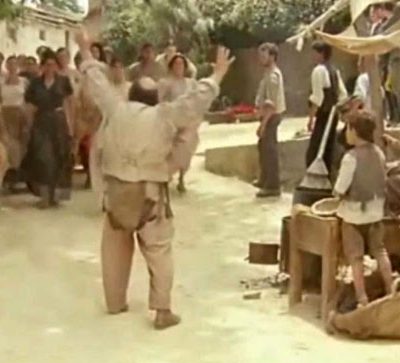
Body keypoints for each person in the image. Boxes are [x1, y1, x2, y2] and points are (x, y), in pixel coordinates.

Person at [76, 29, 233, 329]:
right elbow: (195, 101)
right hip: (149, 192)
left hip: (116, 190)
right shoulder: (164, 115)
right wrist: (217, 75)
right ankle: (162, 310)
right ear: (154, 99)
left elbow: (95, 80)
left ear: (132, 95)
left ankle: (115, 302)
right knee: (159, 251)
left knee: (114, 247)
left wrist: (85, 49)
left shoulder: (115, 107)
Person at [334, 110, 393, 307]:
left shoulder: (350, 157)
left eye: (348, 129)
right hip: (376, 212)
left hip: (354, 215)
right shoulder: (379, 153)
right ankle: (391, 290)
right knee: (380, 251)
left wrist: (337, 194)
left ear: (354, 131)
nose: (346, 133)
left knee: (356, 257)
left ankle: (362, 298)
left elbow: (341, 188)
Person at [23, 50, 74, 208]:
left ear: (57, 66)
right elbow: (29, 106)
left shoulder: (63, 81)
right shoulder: (35, 83)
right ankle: (44, 196)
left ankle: (54, 195)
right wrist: (28, 126)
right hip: (41, 122)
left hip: (58, 122)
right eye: (47, 64)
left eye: (53, 64)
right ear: (42, 66)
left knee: (58, 157)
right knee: (43, 158)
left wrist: (71, 126)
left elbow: (69, 104)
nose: (50, 68)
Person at [158, 54, 199, 193]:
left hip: (188, 120)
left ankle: (182, 177)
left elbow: (196, 100)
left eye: (181, 64)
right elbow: (160, 100)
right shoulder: (165, 83)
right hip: (171, 120)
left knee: (186, 149)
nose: (179, 67)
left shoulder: (191, 83)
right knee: (170, 150)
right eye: (176, 64)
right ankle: (166, 176)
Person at [307, 41, 347, 175]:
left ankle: (316, 177)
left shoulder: (318, 70)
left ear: (321, 54)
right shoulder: (334, 70)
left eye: (314, 53)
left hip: (323, 114)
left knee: (315, 150)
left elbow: (318, 97)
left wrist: (311, 119)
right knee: (328, 148)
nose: (312, 56)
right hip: (333, 114)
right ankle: (328, 176)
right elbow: (343, 94)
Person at [254, 43, 286, 198]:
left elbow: (271, 105)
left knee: (270, 151)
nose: (261, 58)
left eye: (264, 55)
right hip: (267, 115)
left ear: (272, 56)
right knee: (263, 147)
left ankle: (272, 186)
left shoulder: (273, 76)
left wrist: (263, 124)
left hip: (270, 117)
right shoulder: (268, 73)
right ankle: (264, 179)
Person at [0, 56, 29, 191]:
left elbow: (28, 100)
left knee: (21, 145)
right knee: (7, 145)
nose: (12, 66)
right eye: (9, 64)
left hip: (20, 114)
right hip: (6, 114)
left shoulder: (24, 82)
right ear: (6, 66)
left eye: (14, 64)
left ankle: (19, 177)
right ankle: (8, 177)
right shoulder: (2, 82)